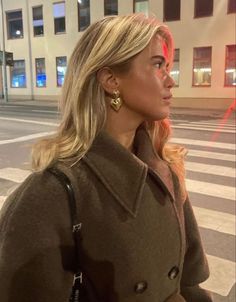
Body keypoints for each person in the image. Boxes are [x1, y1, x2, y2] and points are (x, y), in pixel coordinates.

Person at [0, 14, 213, 302]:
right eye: (157, 64)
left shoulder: (165, 170)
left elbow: (188, 283)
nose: (169, 80)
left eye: (167, 66)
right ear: (111, 80)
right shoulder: (50, 194)